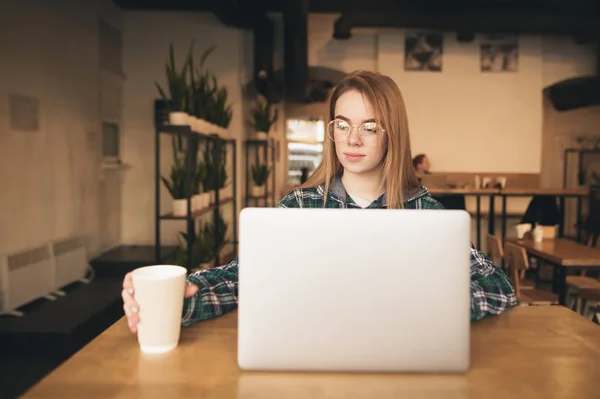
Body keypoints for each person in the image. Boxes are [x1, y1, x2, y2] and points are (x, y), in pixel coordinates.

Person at [122, 70, 517, 332]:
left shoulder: (424, 212)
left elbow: (498, 288)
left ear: (391, 134)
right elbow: (245, 278)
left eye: (369, 127)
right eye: (342, 125)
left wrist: (422, 303)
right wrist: (185, 296)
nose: (352, 140)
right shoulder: (299, 207)